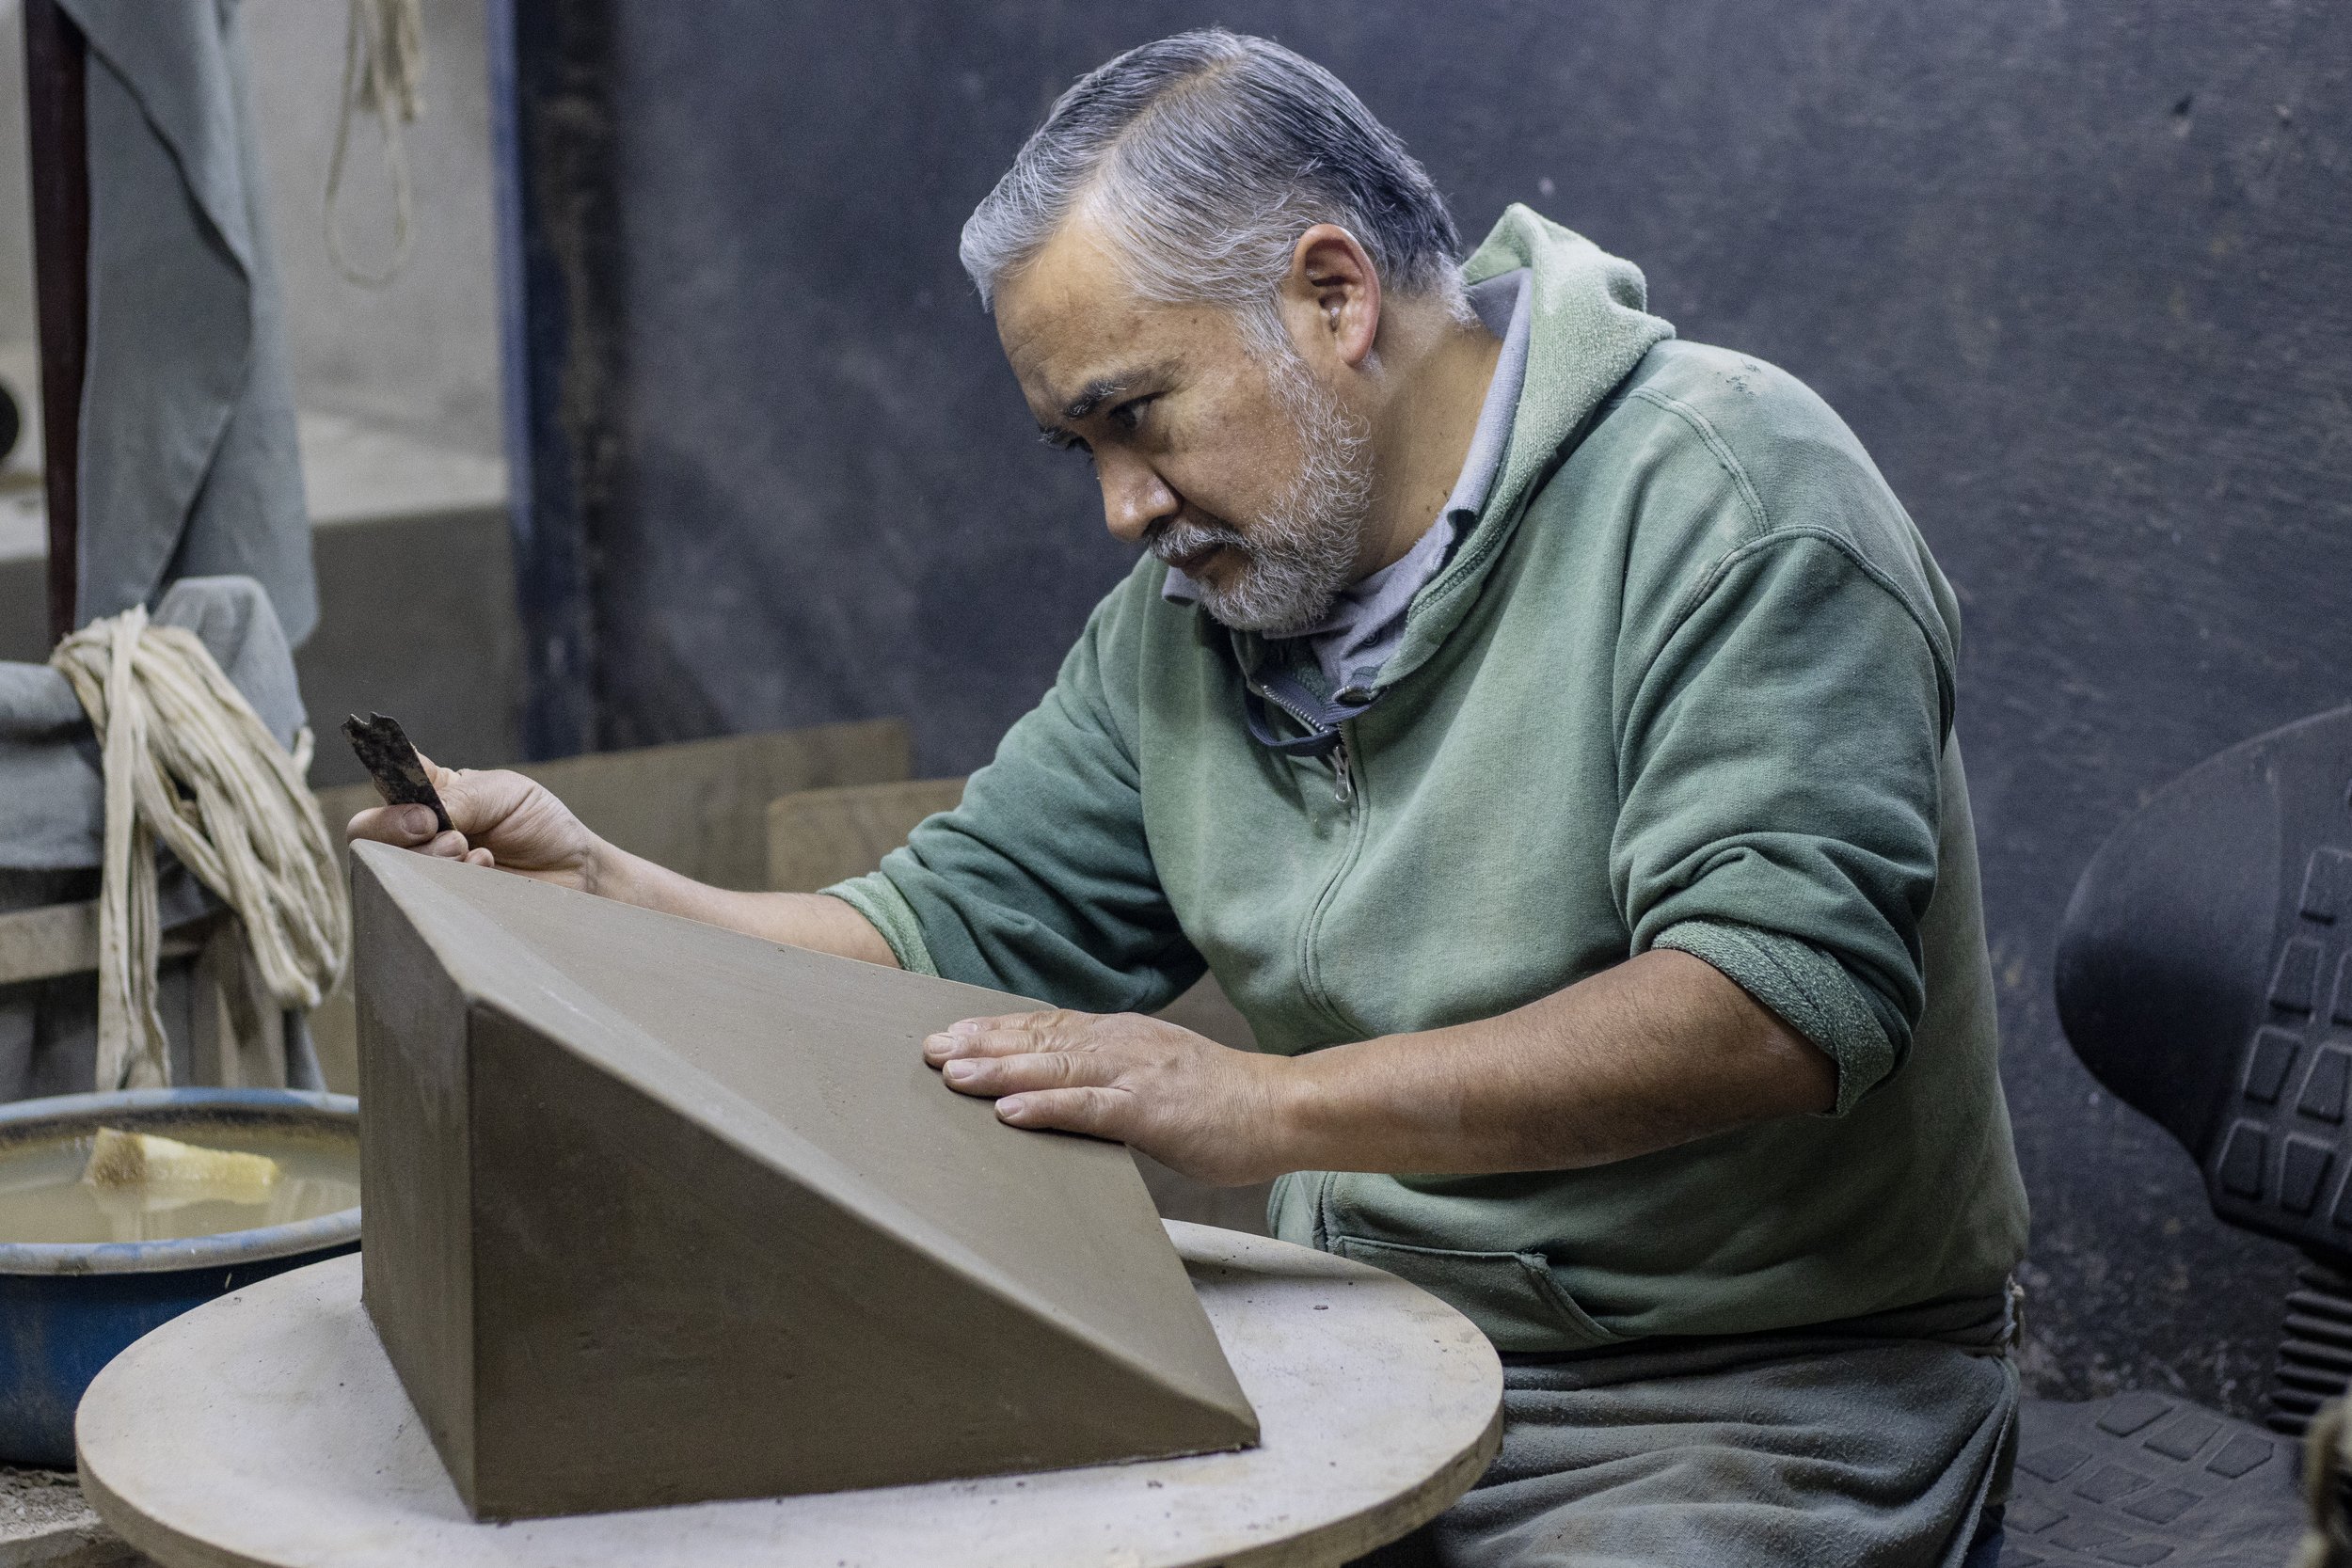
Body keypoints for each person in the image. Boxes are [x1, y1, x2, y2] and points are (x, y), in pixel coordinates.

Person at [351, 29, 2028, 1567]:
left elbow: (1777, 1008)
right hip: (1349, 1346)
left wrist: (1269, 1108)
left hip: (1748, 1399)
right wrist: (621, 912)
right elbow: (944, 936)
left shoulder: (1736, 501)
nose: (1119, 506)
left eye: (1131, 417)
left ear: (1330, 297)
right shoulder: (1204, 611)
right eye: (1073, 448)